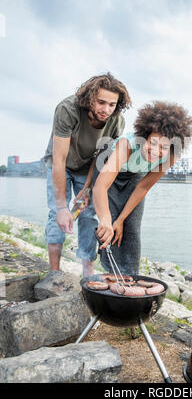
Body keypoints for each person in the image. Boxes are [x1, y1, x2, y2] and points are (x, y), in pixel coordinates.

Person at [92, 101, 192, 276]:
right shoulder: (127, 145)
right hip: (107, 169)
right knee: (108, 221)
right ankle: (109, 272)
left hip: (134, 175)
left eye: (163, 147)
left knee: (129, 227)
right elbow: (100, 186)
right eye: (153, 143)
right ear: (145, 136)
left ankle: (129, 275)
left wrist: (121, 219)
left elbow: (143, 186)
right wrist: (106, 219)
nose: (156, 151)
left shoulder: (172, 155)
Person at [44, 73, 132, 277]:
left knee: (89, 214)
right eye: (101, 102)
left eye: (112, 104)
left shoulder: (116, 121)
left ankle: (87, 269)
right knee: (57, 214)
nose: (106, 110)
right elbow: (59, 159)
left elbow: (100, 157)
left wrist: (87, 188)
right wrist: (61, 207)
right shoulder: (68, 109)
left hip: (87, 168)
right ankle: (54, 271)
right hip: (61, 165)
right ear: (90, 97)